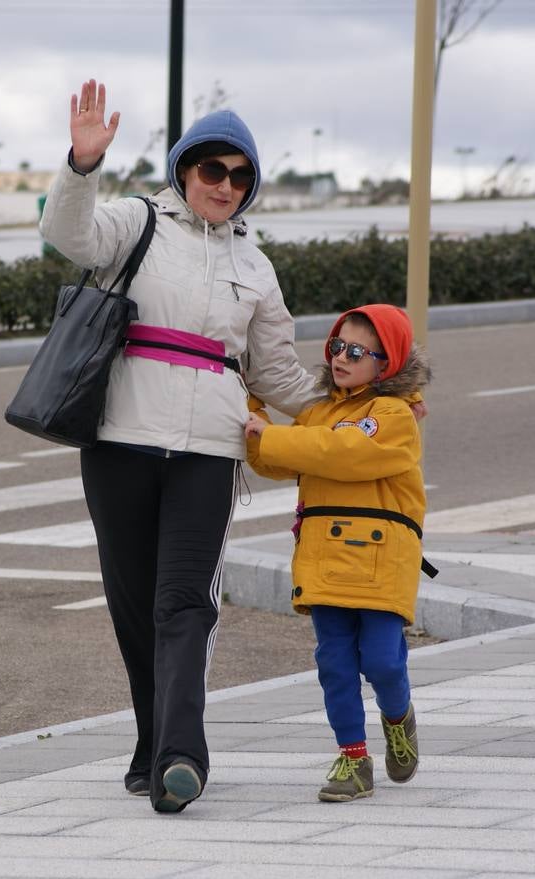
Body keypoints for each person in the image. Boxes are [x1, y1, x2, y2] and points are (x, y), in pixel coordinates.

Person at [38, 79, 325, 813]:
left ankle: (181, 756)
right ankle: (149, 744)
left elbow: (279, 373)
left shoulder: (255, 267)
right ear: (184, 171)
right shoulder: (136, 223)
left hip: (207, 452)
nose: (225, 186)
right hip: (119, 443)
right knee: (135, 607)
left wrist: (360, 408)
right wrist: (81, 164)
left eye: (240, 176)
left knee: (185, 605)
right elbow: (67, 237)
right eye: (212, 170)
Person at [244, 303, 431, 802]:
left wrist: (277, 434)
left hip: (381, 560)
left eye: (356, 351)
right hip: (325, 557)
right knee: (335, 663)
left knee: (384, 662)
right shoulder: (317, 414)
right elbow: (272, 458)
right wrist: (251, 411)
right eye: (335, 347)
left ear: (386, 362)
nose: (340, 358)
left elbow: (342, 453)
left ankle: (398, 717)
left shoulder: (392, 415)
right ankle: (352, 758)